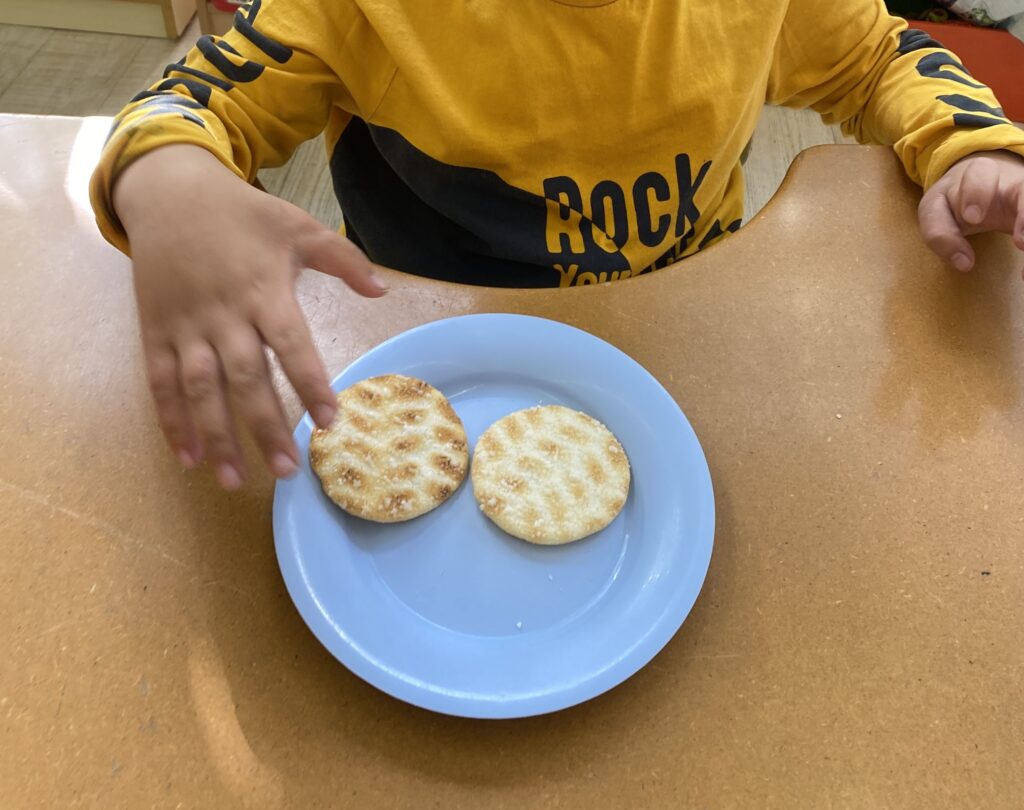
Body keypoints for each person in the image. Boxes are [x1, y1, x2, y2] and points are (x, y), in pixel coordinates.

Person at [90, 0, 1024, 490]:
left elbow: (877, 58)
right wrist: (167, 180)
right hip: (436, 347)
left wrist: (970, 146)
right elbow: (196, 101)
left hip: (683, 332)